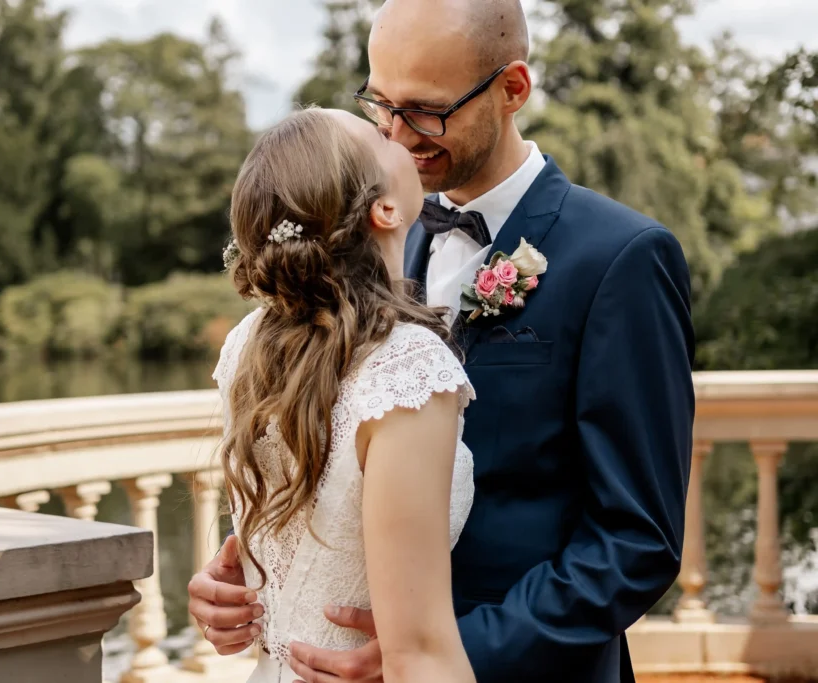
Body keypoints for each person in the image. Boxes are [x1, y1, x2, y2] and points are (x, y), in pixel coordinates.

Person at [189, 0, 696, 681]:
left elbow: (637, 540)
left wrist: (437, 649)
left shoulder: (622, 257)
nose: (396, 135)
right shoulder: (367, 241)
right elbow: (346, 458)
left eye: (425, 110)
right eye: (380, 103)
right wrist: (261, 569)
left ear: (513, 88)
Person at [210, 106, 480, 683]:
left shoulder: (249, 344)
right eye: (382, 136)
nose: (399, 131)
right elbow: (422, 653)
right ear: (383, 208)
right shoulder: (406, 367)